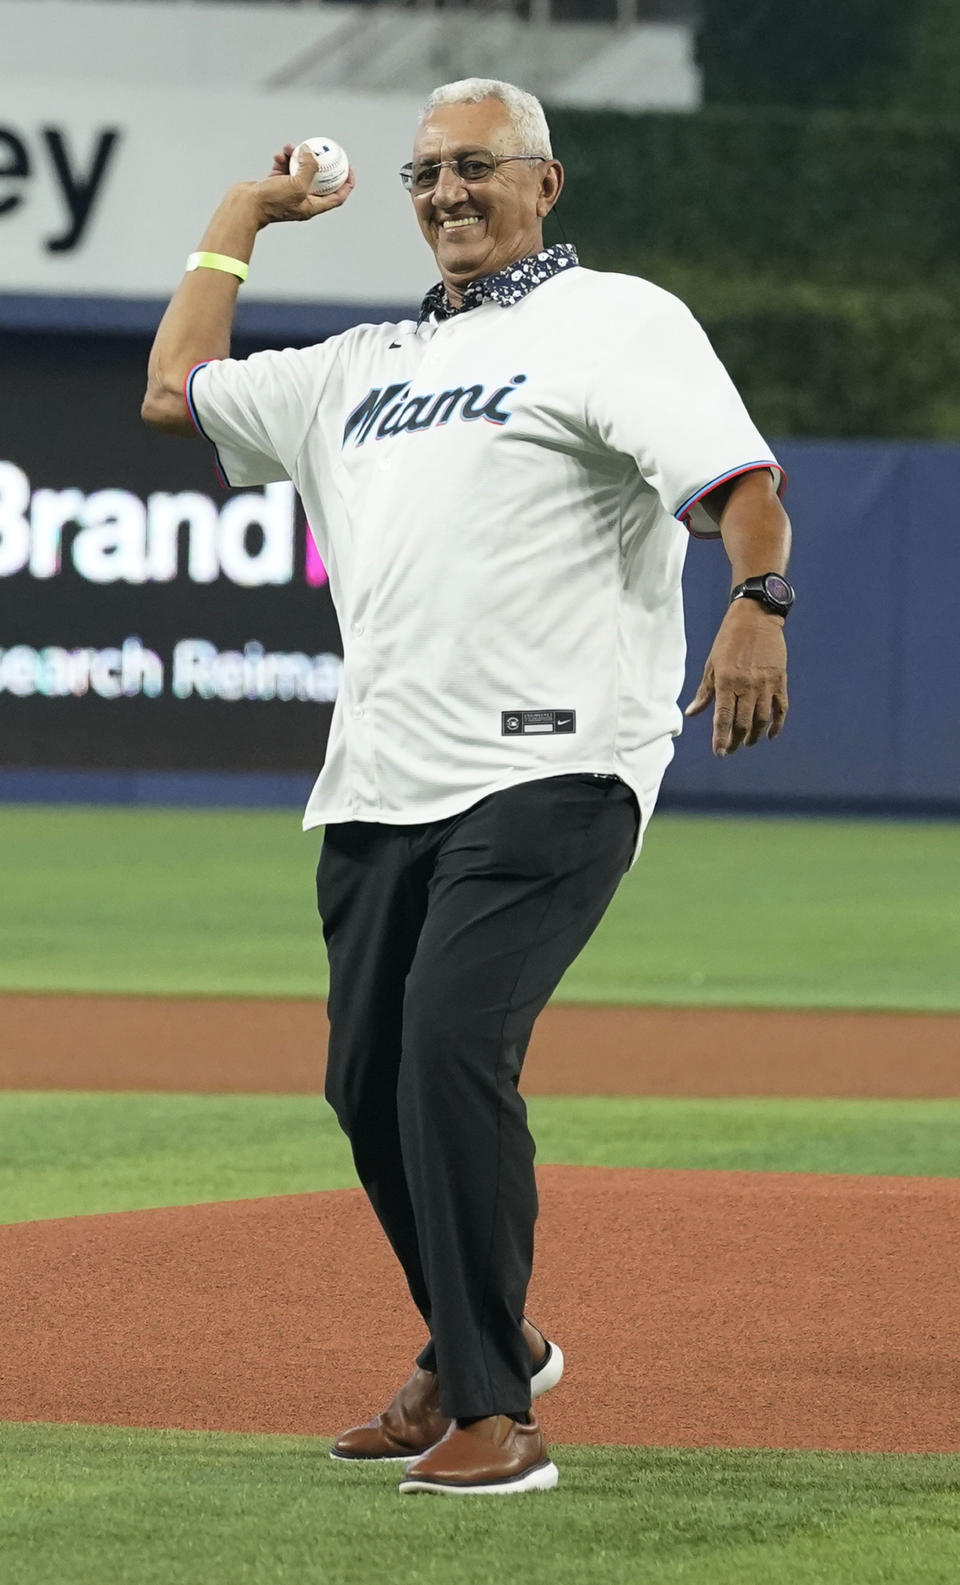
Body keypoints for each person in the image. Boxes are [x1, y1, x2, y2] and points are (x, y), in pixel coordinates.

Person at [142, 76, 792, 1497]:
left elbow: (742, 484)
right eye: (426, 172)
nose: (446, 191)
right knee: (365, 1077)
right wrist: (241, 215)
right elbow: (174, 391)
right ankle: (470, 1334)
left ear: (543, 184)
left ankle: (498, 1414)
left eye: (477, 166)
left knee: (448, 1048)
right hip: (382, 776)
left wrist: (763, 598)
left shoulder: (614, 319)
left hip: (559, 760)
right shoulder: (358, 366)